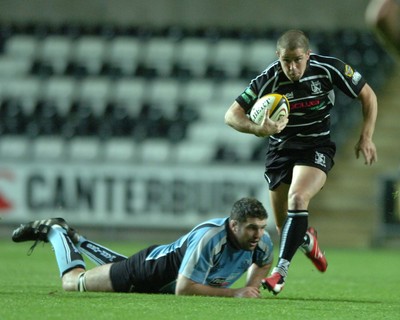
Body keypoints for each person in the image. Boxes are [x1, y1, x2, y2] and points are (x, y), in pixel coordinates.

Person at [224, 29, 378, 295]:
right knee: (285, 228)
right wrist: (257, 129)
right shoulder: (269, 78)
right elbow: (231, 115)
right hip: (280, 150)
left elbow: (368, 96)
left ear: (308, 55)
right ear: (278, 57)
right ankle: (307, 239)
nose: (292, 68)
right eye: (286, 61)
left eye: (297, 60)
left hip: (316, 146)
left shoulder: (329, 69)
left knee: (298, 198)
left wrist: (366, 136)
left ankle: (278, 274)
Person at [12, 197, 273, 298]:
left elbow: (263, 261)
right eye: (251, 227)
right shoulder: (212, 239)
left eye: (262, 227)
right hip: (147, 272)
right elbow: (184, 289)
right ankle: (55, 232)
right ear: (234, 225)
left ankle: (77, 239)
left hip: (158, 270)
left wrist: (252, 284)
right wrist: (237, 293)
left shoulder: (262, 241)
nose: (258, 234)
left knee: (119, 267)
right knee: (73, 283)